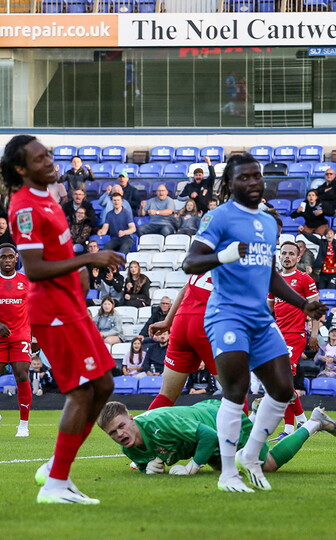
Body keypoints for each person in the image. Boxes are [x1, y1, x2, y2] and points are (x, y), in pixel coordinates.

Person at [181, 152, 326, 493]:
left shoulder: (267, 221)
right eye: (244, 177)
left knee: (283, 390)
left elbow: (271, 276)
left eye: (256, 176)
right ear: (229, 184)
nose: (253, 182)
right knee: (236, 391)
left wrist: (303, 303)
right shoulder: (218, 217)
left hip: (261, 317)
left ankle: (251, 455)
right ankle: (227, 473)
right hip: (226, 314)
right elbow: (190, 263)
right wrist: (227, 254)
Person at [4, 134, 125, 504]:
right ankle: (56, 484)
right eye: (39, 159)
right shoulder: (23, 207)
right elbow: (36, 269)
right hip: (51, 311)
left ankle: (56, 465)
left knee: (104, 385)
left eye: (48, 155)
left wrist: (81, 277)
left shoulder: (50, 197)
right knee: (81, 391)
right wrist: (88, 259)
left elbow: (57, 253)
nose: (49, 161)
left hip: (72, 305)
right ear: (21, 169)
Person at [97, 400, 336, 478]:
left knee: (266, 466)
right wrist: (148, 468)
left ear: (131, 418)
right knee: (225, 467)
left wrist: (193, 466)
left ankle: (314, 422)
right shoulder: (128, 447)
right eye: (112, 433)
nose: (120, 435)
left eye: (121, 426)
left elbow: (208, 435)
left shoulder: (161, 423)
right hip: (203, 425)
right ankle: (255, 415)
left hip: (218, 420)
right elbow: (141, 463)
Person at [268, 241, 321, 440]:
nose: (287, 257)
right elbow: (268, 310)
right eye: (284, 253)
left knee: (283, 379)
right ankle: (293, 427)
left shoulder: (304, 279)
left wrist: (314, 333)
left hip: (295, 336)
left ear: (298, 258)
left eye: (291, 253)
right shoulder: (274, 280)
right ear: (279, 256)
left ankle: (302, 423)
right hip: (277, 337)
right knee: (282, 384)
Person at [144, 273, 215, 410]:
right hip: (206, 320)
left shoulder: (207, 255)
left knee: (166, 395)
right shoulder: (241, 257)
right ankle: (243, 431)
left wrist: (168, 321)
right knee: (236, 391)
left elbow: (186, 287)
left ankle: (140, 430)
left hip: (181, 322)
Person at [0, 243, 33, 437]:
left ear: (16, 258)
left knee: (21, 373)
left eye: (10, 257)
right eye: (3, 257)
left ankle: (23, 425)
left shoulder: (26, 281)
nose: (7, 260)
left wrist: (35, 335)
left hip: (20, 334)